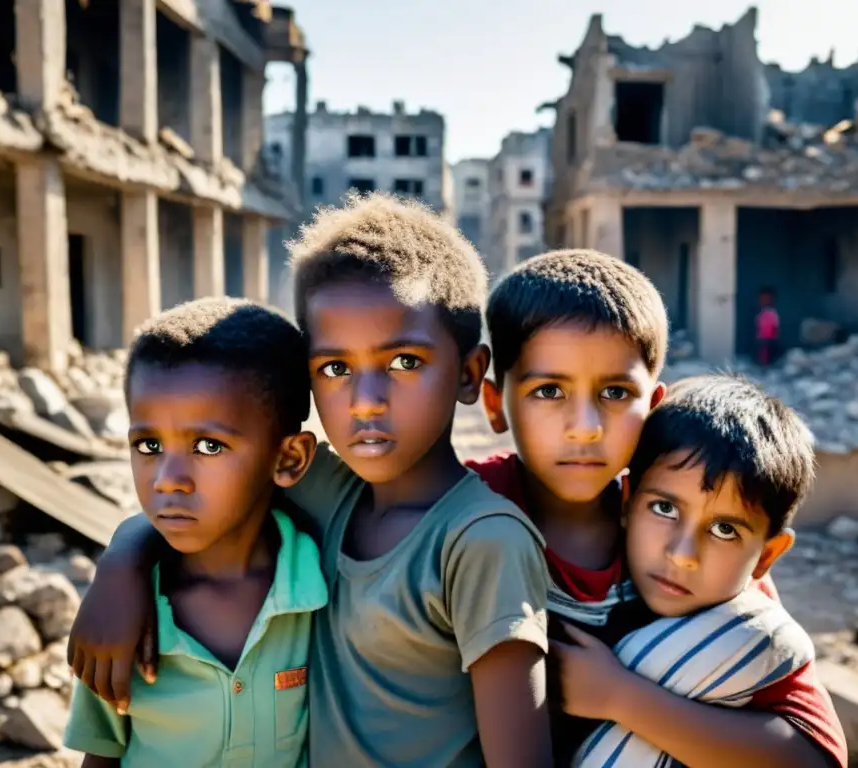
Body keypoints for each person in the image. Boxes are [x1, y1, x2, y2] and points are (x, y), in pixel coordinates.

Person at [64, 193, 553, 768]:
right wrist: (122, 564)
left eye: (404, 363)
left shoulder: (480, 543)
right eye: (336, 369)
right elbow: (201, 484)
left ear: (470, 374)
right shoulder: (326, 488)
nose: (366, 403)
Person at [466, 250, 846, 767]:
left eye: (616, 392)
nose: (585, 426)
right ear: (495, 403)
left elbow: (815, 756)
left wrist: (622, 698)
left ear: (653, 405)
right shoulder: (464, 513)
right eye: (549, 390)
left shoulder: (684, 534)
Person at [62, 297, 325, 767]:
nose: (167, 477)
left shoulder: (323, 585)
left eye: (208, 445)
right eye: (148, 444)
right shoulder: (123, 612)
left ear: (289, 459)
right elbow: (99, 754)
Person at [566, 375, 822, 767]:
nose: (682, 554)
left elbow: (807, 760)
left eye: (724, 530)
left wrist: (618, 697)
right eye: (664, 509)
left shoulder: (750, 631)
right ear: (627, 501)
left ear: (767, 555)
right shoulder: (578, 573)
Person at [755, 287, 780, 367]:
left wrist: (774, 336)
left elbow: (775, 326)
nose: (764, 300)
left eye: (767, 298)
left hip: (770, 338)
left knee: (767, 353)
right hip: (761, 338)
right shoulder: (760, 313)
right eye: (762, 298)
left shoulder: (772, 312)